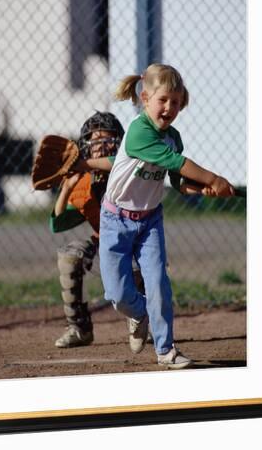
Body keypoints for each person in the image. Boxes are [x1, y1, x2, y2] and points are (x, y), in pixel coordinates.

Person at [99, 63, 235, 369]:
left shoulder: (173, 136)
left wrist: (202, 189)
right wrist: (213, 178)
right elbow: (177, 161)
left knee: (158, 281)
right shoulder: (138, 131)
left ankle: (165, 349)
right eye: (163, 100)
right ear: (145, 98)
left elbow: (179, 181)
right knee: (117, 293)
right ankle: (139, 313)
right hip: (115, 220)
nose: (169, 107)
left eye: (175, 101)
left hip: (149, 221)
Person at [49, 111, 146, 348]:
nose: (102, 148)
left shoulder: (128, 172)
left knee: (136, 267)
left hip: (133, 240)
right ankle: (79, 327)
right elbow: (57, 223)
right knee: (69, 257)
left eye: (108, 141)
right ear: (85, 148)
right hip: (103, 239)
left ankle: (141, 319)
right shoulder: (83, 181)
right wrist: (67, 186)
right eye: (95, 142)